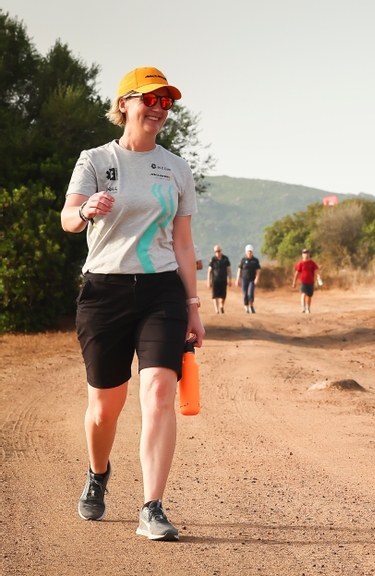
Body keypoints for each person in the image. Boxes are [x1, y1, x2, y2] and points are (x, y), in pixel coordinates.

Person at [60, 66, 205, 541]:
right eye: (151, 99)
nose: (160, 109)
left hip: (162, 291)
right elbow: (68, 218)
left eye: (167, 102)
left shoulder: (178, 167)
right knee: (105, 409)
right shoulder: (96, 159)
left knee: (160, 393)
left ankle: (152, 507)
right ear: (125, 103)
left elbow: (183, 245)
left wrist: (193, 306)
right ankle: (98, 473)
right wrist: (85, 210)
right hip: (104, 292)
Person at [291, 248, 321, 314]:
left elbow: (316, 271)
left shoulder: (312, 263)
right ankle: (303, 308)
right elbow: (297, 273)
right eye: (304, 253)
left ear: (309, 254)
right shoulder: (300, 263)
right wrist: (294, 282)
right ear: (302, 255)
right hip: (302, 281)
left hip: (310, 281)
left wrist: (318, 276)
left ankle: (308, 308)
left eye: (307, 253)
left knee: (309, 296)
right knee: (303, 294)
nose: (306, 255)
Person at [236, 244, 261, 313]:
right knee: (245, 294)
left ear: (252, 252)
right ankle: (246, 308)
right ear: (246, 252)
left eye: (250, 251)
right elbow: (239, 270)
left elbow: (258, 270)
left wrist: (257, 278)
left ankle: (251, 306)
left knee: (250, 293)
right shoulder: (243, 260)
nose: (249, 253)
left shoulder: (255, 260)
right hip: (244, 279)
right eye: (248, 251)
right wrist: (237, 279)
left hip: (252, 279)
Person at [207, 245, 232, 313]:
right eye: (216, 251)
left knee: (223, 295)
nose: (217, 252)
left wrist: (230, 279)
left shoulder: (225, 259)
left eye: (218, 251)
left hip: (223, 279)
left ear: (221, 250)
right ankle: (217, 310)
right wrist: (208, 281)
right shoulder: (213, 259)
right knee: (215, 295)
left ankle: (221, 305)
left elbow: (229, 270)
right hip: (215, 280)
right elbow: (209, 271)